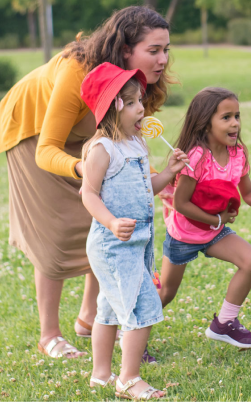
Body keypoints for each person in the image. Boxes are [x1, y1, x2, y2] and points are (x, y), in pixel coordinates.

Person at [0, 6, 176, 360]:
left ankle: (91, 317)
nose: (163, 59)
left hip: (90, 134)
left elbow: (129, 141)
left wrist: (155, 179)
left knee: (108, 217)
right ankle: (49, 335)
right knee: (56, 230)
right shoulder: (79, 71)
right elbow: (47, 150)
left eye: (166, 49)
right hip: (33, 128)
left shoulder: (139, 84)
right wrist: (86, 170)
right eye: (153, 51)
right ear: (125, 50)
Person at [80, 63, 188, 399]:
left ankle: (101, 374)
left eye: (140, 101)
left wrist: (169, 172)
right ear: (113, 107)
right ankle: (128, 378)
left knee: (110, 309)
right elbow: (88, 193)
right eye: (132, 103)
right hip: (111, 244)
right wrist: (111, 221)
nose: (141, 108)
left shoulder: (137, 143)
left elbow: (145, 188)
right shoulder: (103, 149)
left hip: (137, 243)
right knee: (142, 306)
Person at [157, 87, 251, 349]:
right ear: (205, 123)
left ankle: (224, 323)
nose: (235, 123)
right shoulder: (196, 157)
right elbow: (180, 203)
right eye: (226, 117)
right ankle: (131, 329)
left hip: (214, 230)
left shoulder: (238, 153)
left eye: (237, 115)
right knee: (166, 292)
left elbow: (246, 192)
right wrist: (217, 219)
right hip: (185, 233)